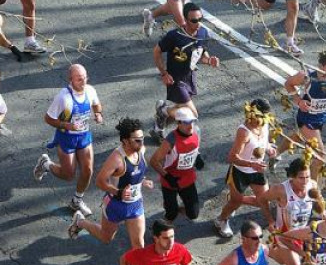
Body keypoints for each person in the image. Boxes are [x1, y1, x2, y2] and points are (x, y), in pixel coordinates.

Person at [68, 117, 153, 249]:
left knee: (139, 246)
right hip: (115, 205)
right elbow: (100, 181)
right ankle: (80, 221)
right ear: (125, 140)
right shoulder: (117, 159)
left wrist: (142, 181)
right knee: (105, 237)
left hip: (135, 205)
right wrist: (118, 192)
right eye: (137, 140)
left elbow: (135, 173)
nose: (141, 142)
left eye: (142, 138)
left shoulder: (141, 150)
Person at [33, 64, 103, 216]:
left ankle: (76, 201)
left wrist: (98, 114)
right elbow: (48, 118)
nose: (83, 82)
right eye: (79, 79)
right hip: (66, 138)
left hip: (84, 136)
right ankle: (46, 164)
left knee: (88, 170)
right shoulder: (63, 98)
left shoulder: (90, 91)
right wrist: (67, 125)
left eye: (85, 78)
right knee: (68, 175)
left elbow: (97, 105)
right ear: (70, 80)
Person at [149, 2, 219, 143]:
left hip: (189, 77)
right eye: (194, 20)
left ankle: (160, 122)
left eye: (200, 19)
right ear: (185, 21)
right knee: (192, 114)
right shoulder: (174, 36)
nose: (198, 23)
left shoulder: (202, 33)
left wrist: (208, 60)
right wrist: (164, 73)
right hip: (175, 80)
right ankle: (164, 113)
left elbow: (201, 53)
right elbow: (156, 51)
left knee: (181, 110)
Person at [259, 158, 321, 265]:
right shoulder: (281, 190)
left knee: (283, 260)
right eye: (301, 177)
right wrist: (270, 220)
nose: (305, 181)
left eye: (307, 177)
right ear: (292, 177)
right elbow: (262, 199)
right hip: (283, 236)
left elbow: (318, 201)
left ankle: (263, 252)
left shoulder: (312, 185)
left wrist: (323, 211)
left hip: (303, 235)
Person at [269, 51, 326, 181]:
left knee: (298, 136)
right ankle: (313, 194)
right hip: (307, 118)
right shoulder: (306, 76)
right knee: (320, 158)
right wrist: (299, 101)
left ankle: (275, 153)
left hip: (322, 117)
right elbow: (288, 83)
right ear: (320, 66)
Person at [214, 99, 277, 238]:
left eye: (265, 117)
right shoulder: (244, 132)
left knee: (263, 200)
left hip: (257, 171)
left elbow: (264, 141)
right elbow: (231, 157)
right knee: (235, 202)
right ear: (252, 114)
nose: (264, 120)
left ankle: (272, 222)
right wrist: (251, 164)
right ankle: (221, 220)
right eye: (261, 117)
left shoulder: (264, 125)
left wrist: (269, 149)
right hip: (240, 172)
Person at [150, 107, 204, 222]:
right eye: (186, 122)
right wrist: (167, 177)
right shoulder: (170, 140)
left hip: (188, 180)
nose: (190, 125)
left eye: (192, 121)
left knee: (193, 214)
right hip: (171, 182)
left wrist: (198, 156)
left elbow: (195, 147)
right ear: (178, 123)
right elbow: (154, 161)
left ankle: (174, 207)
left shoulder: (196, 131)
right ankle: (164, 227)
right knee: (171, 215)